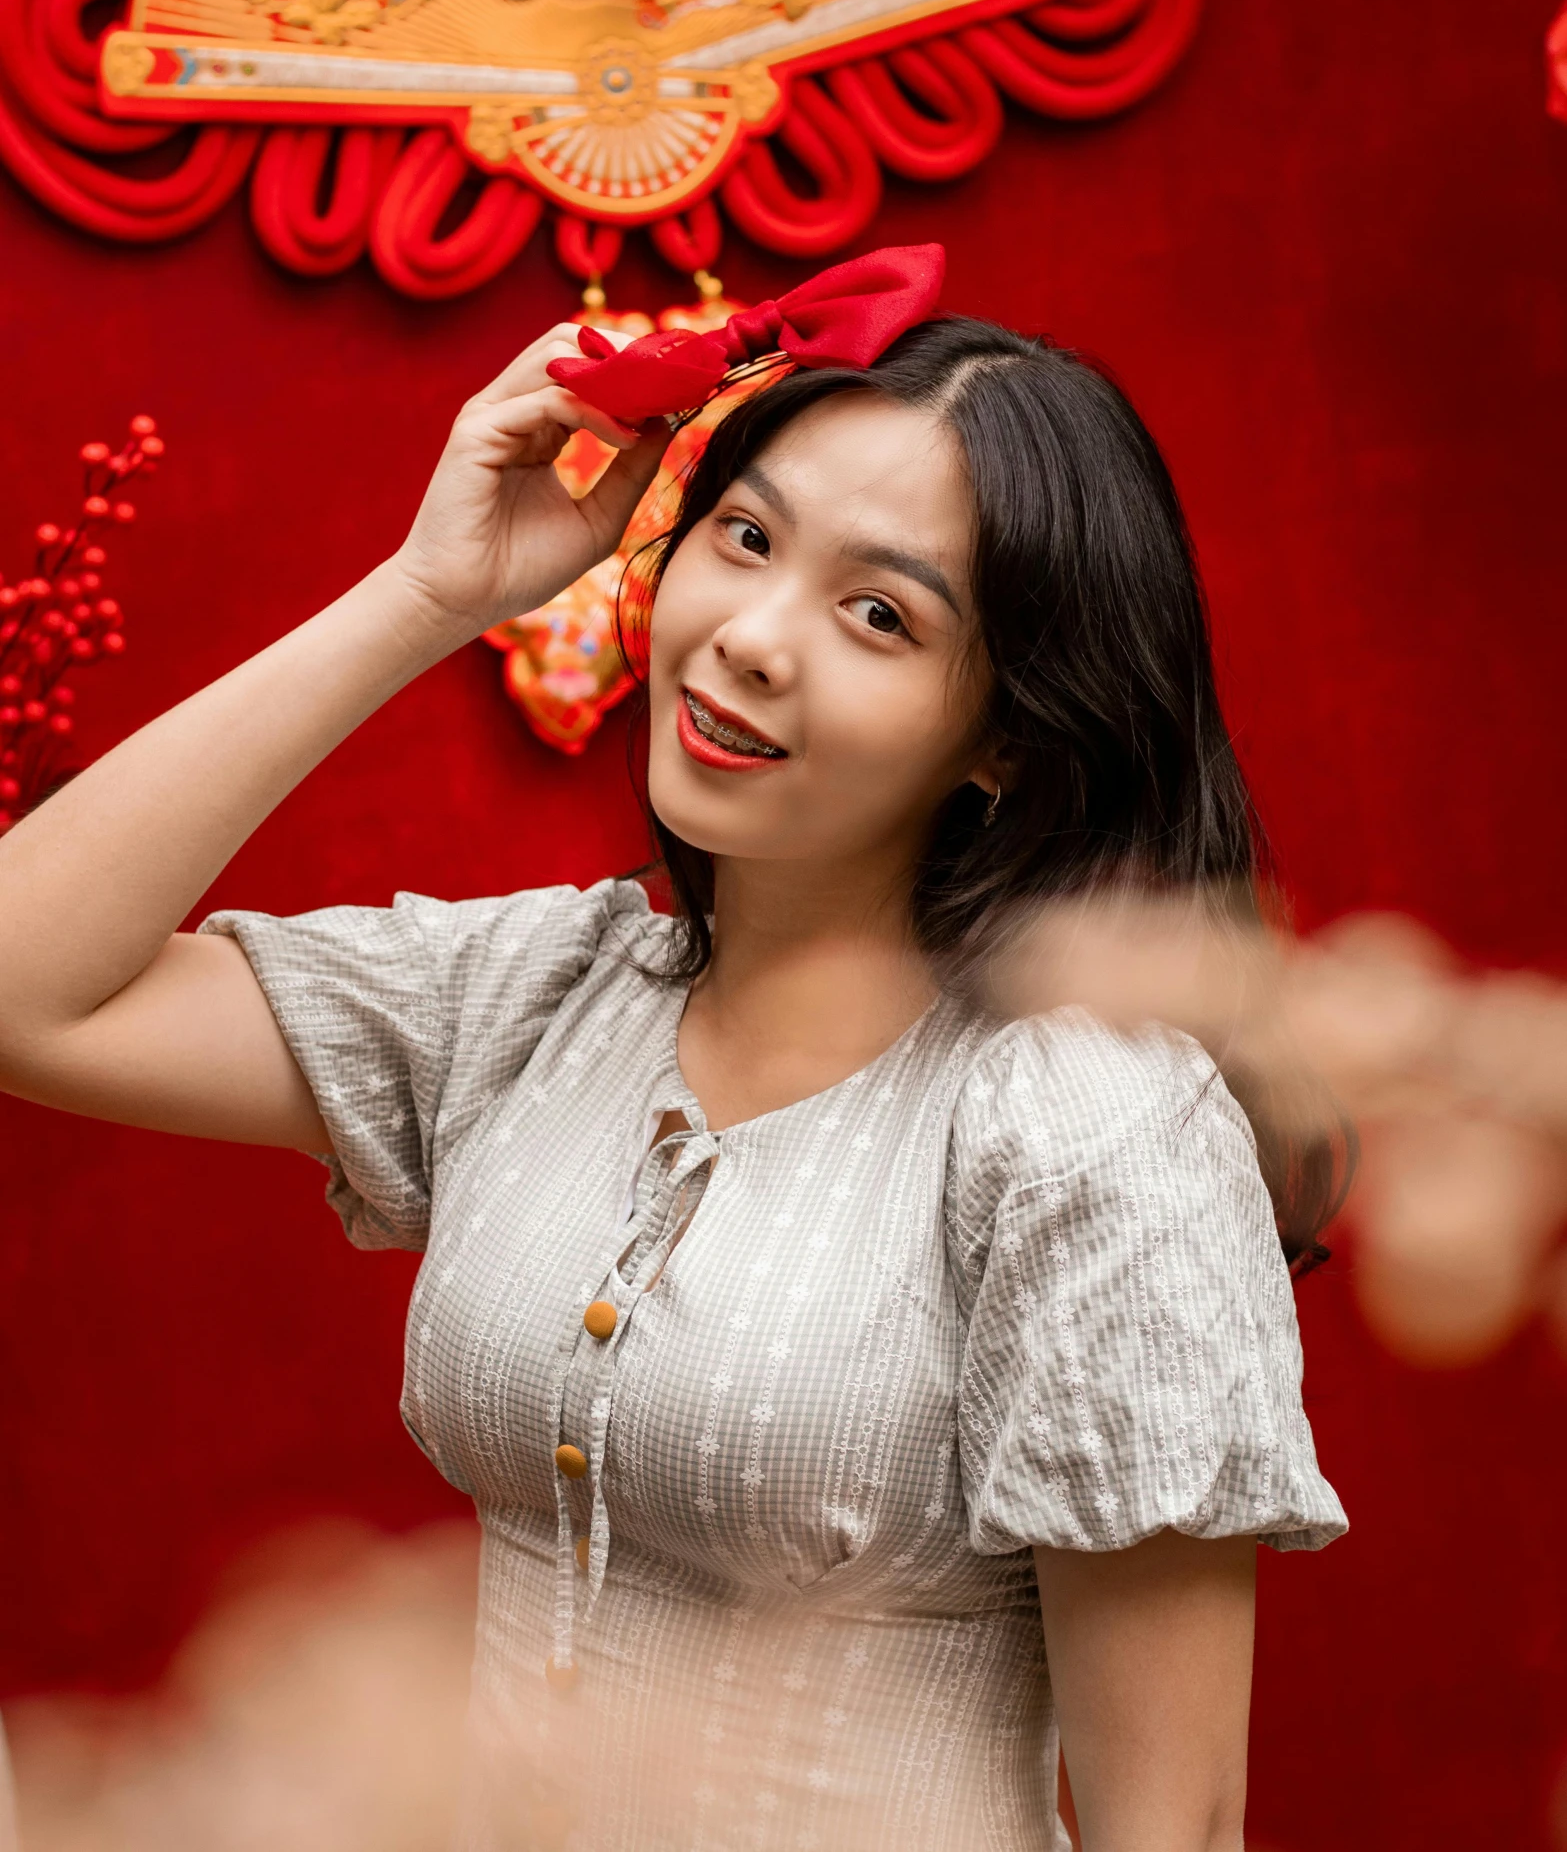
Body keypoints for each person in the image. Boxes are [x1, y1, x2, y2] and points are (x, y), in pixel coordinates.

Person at [0, 246, 1346, 1852]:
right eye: (744, 538)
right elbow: (28, 992)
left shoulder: (1088, 1118)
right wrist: (428, 595)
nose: (753, 637)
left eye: (876, 611)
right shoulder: (540, 993)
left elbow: (1173, 1823)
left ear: (1004, 733)